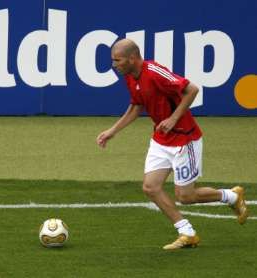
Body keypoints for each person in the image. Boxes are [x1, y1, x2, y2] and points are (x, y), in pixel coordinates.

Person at [96, 38, 248, 250]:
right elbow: (136, 106)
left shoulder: (155, 72)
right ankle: (187, 232)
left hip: (184, 139)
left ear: (132, 58)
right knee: (150, 187)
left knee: (186, 196)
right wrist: (112, 131)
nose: (115, 65)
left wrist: (173, 119)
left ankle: (231, 196)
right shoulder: (131, 77)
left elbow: (192, 90)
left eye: (117, 60)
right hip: (161, 139)